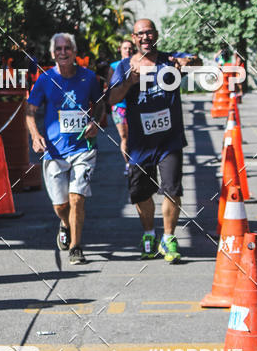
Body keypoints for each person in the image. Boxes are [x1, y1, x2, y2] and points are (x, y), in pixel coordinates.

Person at [109, 18, 187, 263]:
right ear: (134, 38)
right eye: (140, 34)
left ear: (156, 35)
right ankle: (149, 235)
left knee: (172, 189)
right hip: (140, 143)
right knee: (141, 193)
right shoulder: (124, 66)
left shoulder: (169, 61)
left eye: (149, 32)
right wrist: (129, 82)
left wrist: (189, 62)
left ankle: (169, 238)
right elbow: (111, 99)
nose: (145, 37)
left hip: (169, 140)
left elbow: (195, 61)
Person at [26, 32, 105, 264]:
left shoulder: (88, 77)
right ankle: (64, 223)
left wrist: (95, 121)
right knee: (61, 205)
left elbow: (100, 104)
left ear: (74, 52)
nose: (63, 52)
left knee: (77, 198)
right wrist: (35, 135)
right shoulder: (45, 79)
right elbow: (30, 110)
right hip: (54, 152)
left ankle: (76, 247)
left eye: (67, 48)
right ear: (53, 54)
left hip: (83, 148)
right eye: (58, 49)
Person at [108, 39, 134, 174]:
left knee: (135, 136)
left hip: (135, 106)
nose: (128, 51)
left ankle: (137, 162)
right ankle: (128, 163)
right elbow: (110, 88)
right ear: (120, 50)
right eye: (125, 48)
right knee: (124, 136)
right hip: (120, 107)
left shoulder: (139, 64)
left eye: (130, 48)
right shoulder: (114, 66)